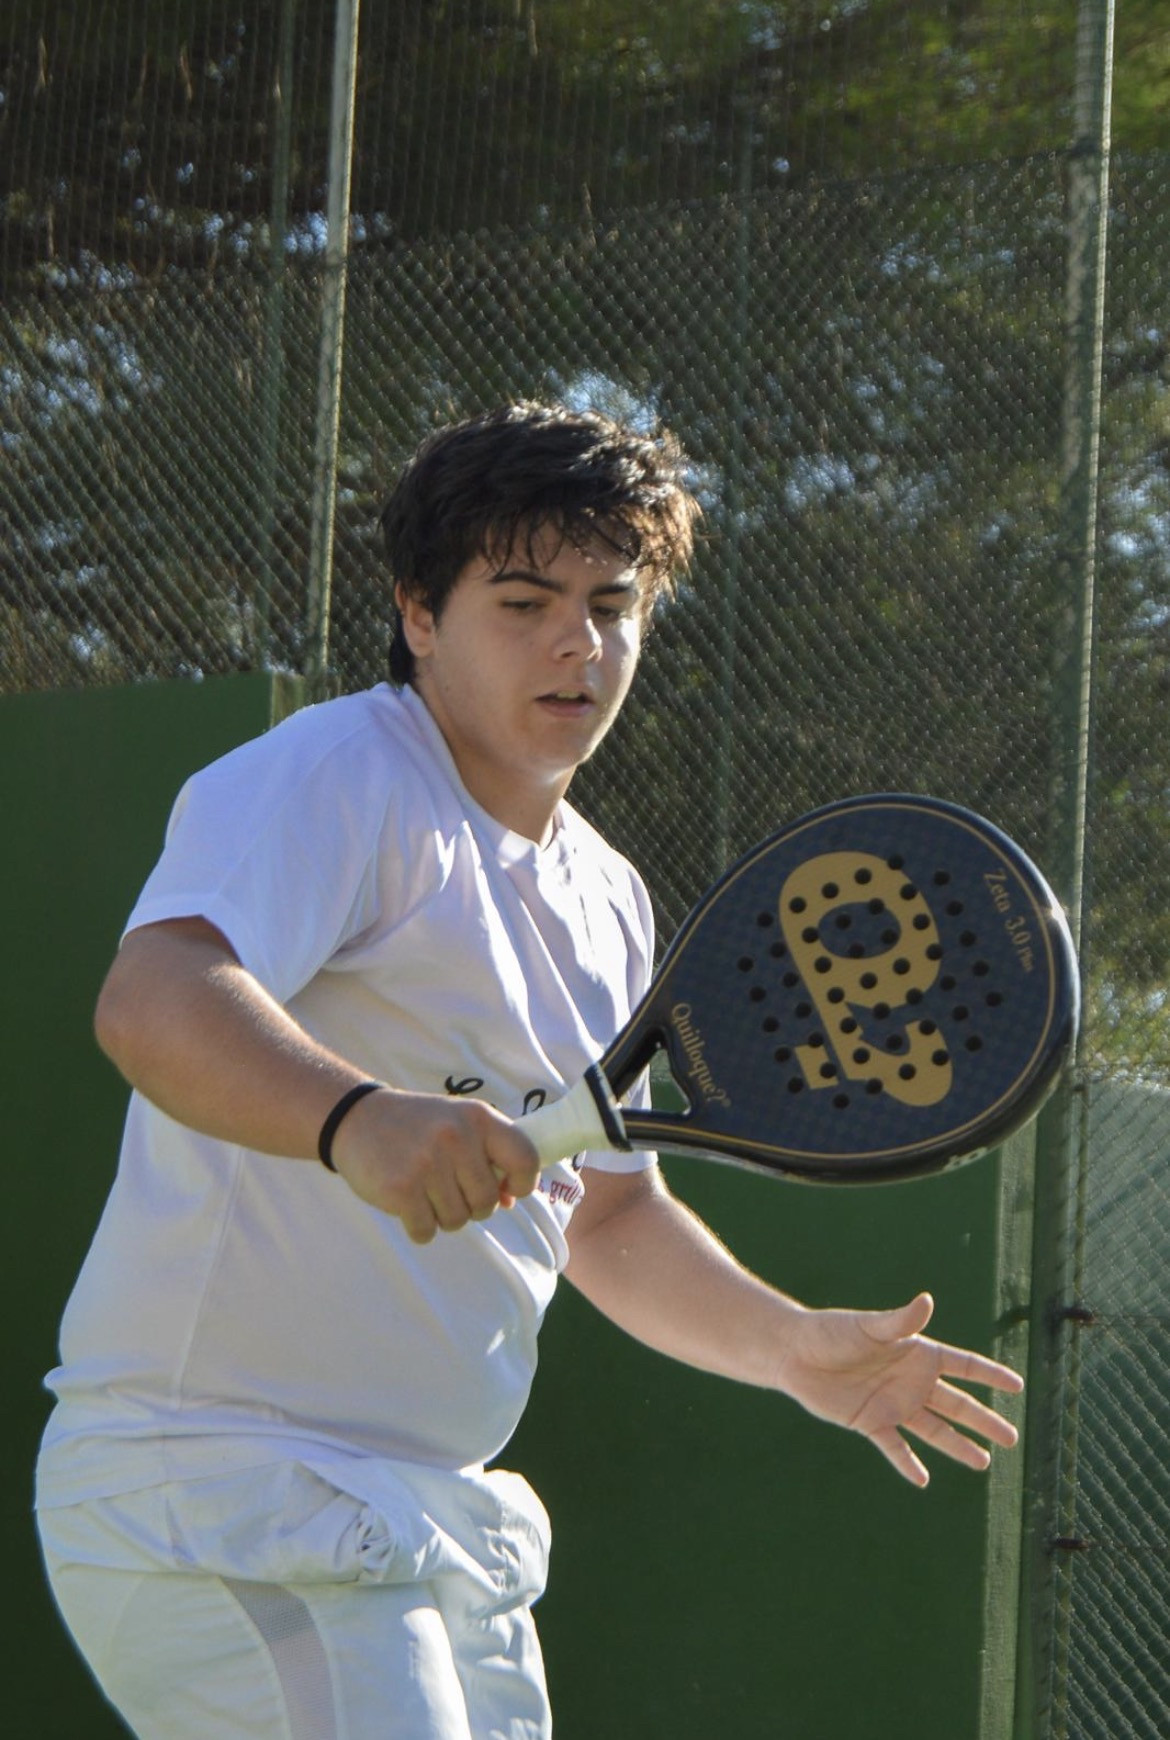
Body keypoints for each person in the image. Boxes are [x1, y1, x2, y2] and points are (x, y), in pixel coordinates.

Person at [36, 402, 1023, 1740]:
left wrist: (795, 1350)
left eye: (613, 606)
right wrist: (354, 1120)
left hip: (436, 1519)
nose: (579, 643)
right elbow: (154, 996)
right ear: (419, 613)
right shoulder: (338, 773)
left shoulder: (608, 899)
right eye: (524, 602)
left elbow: (606, 1216)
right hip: (216, 1482)